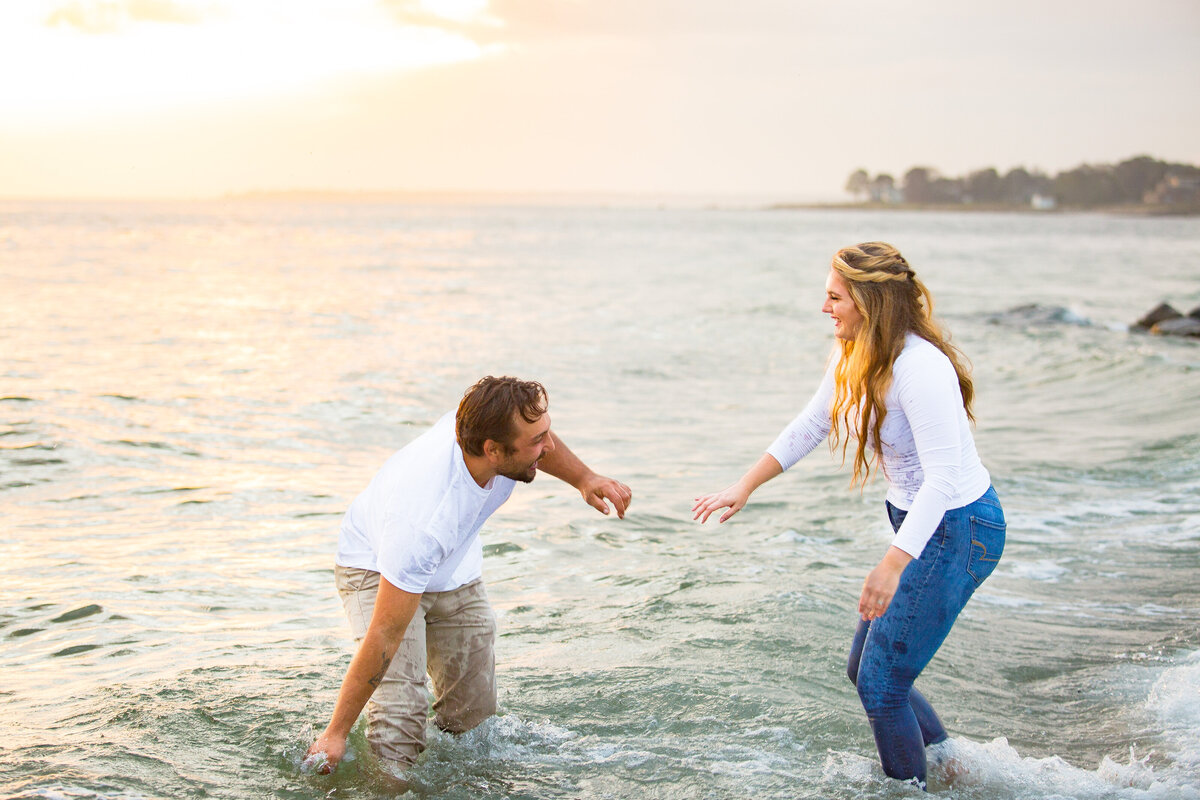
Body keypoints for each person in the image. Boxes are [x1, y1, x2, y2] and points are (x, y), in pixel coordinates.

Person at [692, 242, 1005, 787]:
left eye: (835, 297)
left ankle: (912, 788)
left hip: (959, 528)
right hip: (922, 525)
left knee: (881, 684)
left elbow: (944, 479)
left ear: (869, 300)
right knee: (867, 672)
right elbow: (812, 424)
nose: (825, 307)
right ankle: (946, 766)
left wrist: (892, 564)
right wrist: (744, 485)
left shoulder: (918, 367)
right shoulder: (856, 351)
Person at [307, 376, 632, 774]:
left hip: (454, 567)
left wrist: (584, 477)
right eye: (536, 443)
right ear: (492, 450)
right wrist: (336, 733)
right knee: (400, 728)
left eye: (545, 434)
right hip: (377, 566)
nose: (546, 449)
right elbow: (385, 633)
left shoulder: (490, 425)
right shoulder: (425, 518)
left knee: (475, 725)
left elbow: (537, 435)